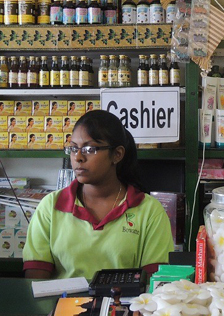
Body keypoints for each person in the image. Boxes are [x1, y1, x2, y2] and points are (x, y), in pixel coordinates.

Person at [23, 110, 173, 280]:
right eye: (73, 148)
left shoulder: (149, 210)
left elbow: (154, 282)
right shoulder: (51, 206)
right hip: (61, 298)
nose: (78, 157)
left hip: (125, 298)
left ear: (117, 154)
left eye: (90, 149)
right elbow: (36, 280)